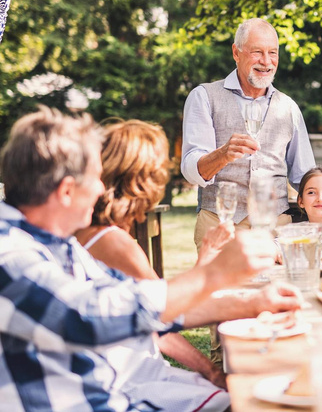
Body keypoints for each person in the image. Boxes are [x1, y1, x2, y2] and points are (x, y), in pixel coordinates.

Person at [0, 107, 300, 411]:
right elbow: (87, 315)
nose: (101, 189)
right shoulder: (8, 251)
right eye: (95, 178)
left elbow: (140, 303)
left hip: (116, 391)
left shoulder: (58, 244)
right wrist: (213, 275)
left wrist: (253, 303)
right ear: (66, 191)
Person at [75, 119, 240, 388]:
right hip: (130, 377)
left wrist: (207, 253)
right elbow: (163, 320)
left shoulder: (92, 231)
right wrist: (213, 374)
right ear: (144, 178)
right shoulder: (114, 243)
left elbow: (161, 307)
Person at [181, 17, 316, 250]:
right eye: (257, 52)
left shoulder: (289, 107)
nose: (266, 62)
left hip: (276, 228)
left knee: (278, 287)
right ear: (236, 52)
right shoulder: (203, 97)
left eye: (273, 53)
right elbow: (191, 170)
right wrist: (223, 154)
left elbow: (303, 174)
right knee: (223, 288)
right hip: (220, 225)